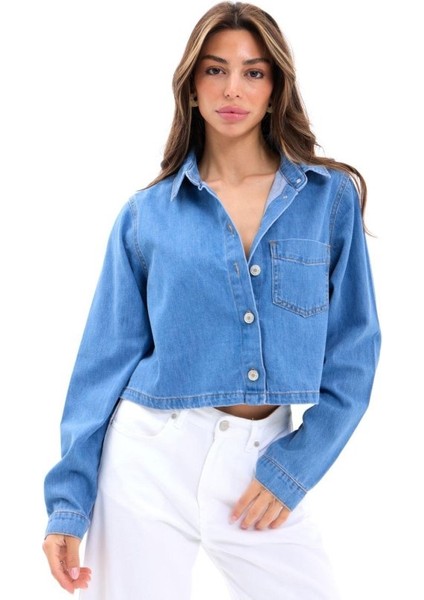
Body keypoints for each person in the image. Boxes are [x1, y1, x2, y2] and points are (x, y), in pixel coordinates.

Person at [42, 2, 381, 598]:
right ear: (191, 87)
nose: (232, 89)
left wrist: (296, 466)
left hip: (261, 465)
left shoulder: (328, 200)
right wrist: (68, 506)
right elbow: (102, 363)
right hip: (147, 459)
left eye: (253, 72)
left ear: (275, 90)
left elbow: (355, 350)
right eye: (215, 69)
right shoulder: (146, 216)